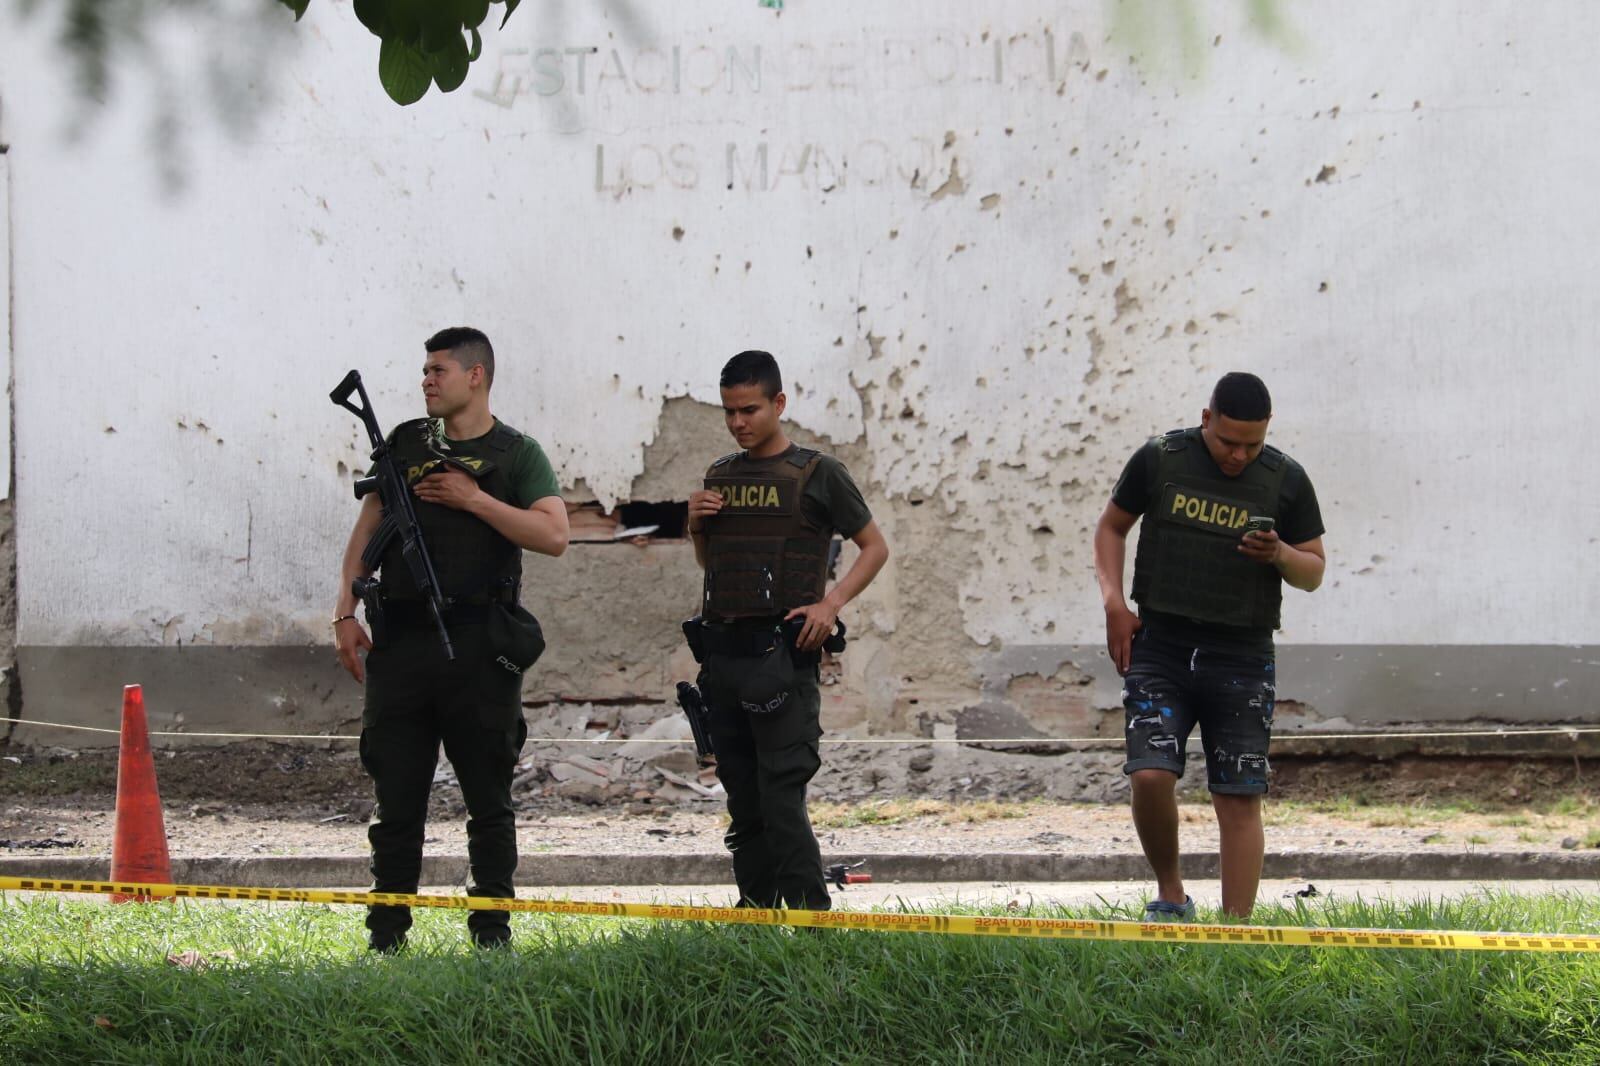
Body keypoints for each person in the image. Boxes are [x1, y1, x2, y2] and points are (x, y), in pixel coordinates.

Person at [333, 327, 569, 951]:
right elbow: (367, 532)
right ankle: (386, 939)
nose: (426, 380)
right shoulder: (407, 444)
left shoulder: (517, 453)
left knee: (488, 804)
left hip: (478, 643)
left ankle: (491, 937)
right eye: (424, 371)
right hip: (402, 644)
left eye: (438, 369)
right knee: (396, 804)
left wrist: (473, 499)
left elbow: (553, 535)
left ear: (476, 376)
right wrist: (343, 614)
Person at [1092, 372, 1325, 920]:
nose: (1239, 455)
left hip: (1242, 654)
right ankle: (1171, 896)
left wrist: (1279, 556)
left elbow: (1313, 571)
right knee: (1149, 775)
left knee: (1239, 795)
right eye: (1228, 442)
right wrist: (1114, 606)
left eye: (1253, 444)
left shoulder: (1286, 479)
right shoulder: (1160, 458)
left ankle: (1235, 929)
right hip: (1161, 644)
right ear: (1206, 419)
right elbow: (1111, 528)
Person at [686, 350, 889, 910]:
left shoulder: (818, 473)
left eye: (748, 409)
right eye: (728, 412)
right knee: (743, 803)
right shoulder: (720, 476)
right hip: (723, 659)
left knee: (780, 798)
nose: (737, 422)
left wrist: (831, 604)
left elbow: (875, 548)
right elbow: (714, 568)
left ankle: (809, 926)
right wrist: (695, 526)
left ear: (778, 403)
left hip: (781, 657)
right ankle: (754, 915)